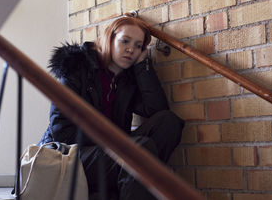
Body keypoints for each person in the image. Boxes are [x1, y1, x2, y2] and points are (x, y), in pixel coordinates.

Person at [39, 16, 184, 200]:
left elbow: (156, 109)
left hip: (108, 153)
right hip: (70, 155)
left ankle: (129, 188)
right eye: (125, 41)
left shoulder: (127, 80)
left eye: (138, 46)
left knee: (168, 122)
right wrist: (112, 144)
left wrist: (143, 65)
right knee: (138, 149)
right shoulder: (77, 67)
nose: (131, 49)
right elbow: (62, 131)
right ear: (110, 38)